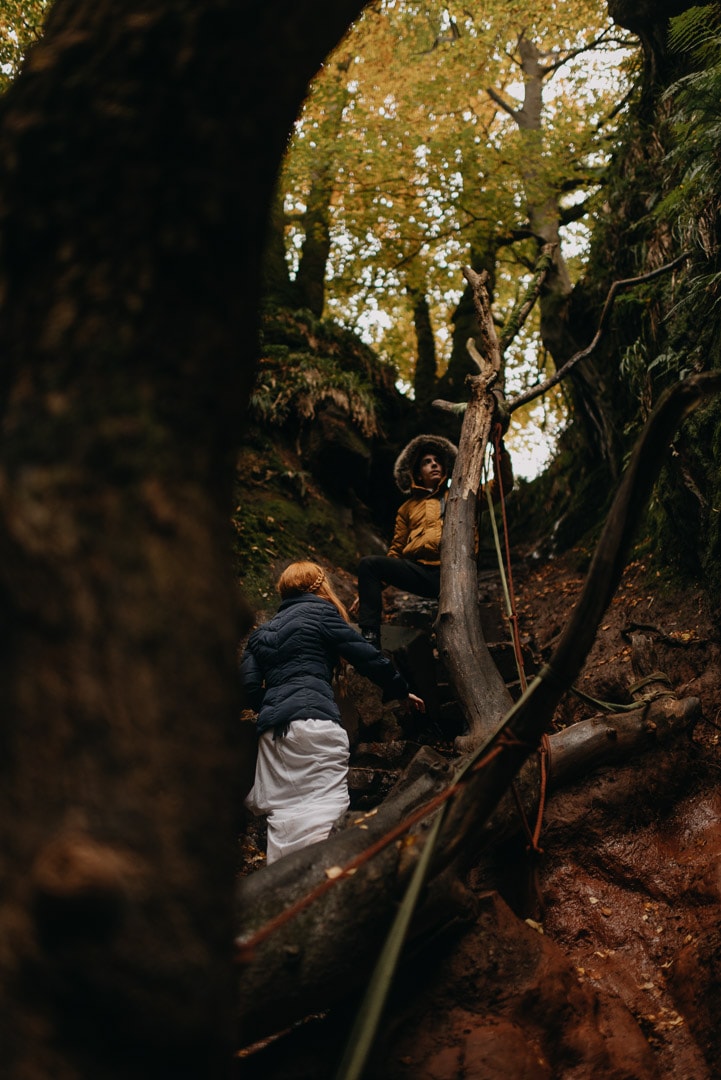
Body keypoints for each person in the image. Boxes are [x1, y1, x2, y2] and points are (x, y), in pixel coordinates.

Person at [240, 560, 425, 864]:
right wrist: (400, 691)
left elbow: (248, 685)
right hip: (315, 724)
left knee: (284, 814)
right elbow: (367, 657)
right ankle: (324, 877)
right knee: (324, 808)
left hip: (274, 736)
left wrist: (273, 708)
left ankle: (284, 883)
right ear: (320, 586)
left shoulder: (261, 634)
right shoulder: (321, 614)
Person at [356, 432, 513, 648]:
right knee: (369, 565)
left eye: (438, 461)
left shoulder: (464, 495)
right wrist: (369, 590)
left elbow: (502, 486)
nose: (434, 464)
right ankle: (370, 638)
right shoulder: (406, 508)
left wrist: (499, 448)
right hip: (420, 573)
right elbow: (396, 551)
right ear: (418, 474)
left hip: (456, 572)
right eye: (427, 462)